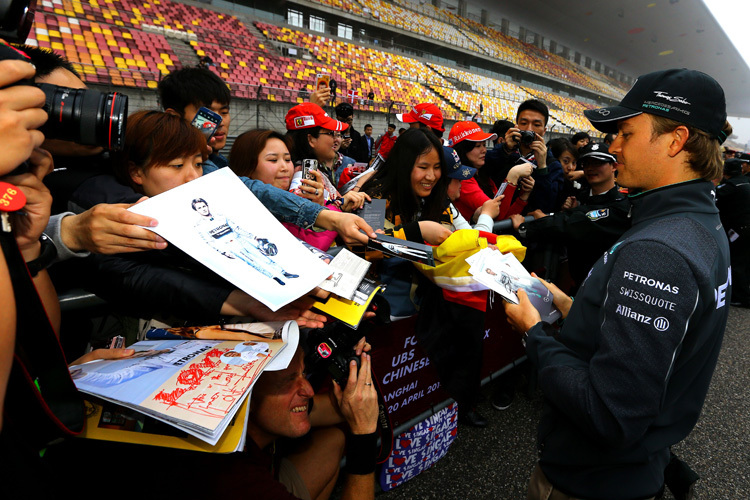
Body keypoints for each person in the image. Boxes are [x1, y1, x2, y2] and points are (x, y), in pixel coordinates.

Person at [504, 68, 733, 500]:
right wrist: (577, 309)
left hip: (591, 482)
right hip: (630, 471)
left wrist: (534, 334)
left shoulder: (661, 249)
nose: (612, 146)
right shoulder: (697, 221)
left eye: (626, 133)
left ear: (675, 140)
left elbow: (609, 413)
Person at [72, 110, 328, 325]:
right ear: (136, 172)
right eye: (176, 165)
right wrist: (241, 302)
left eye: (197, 164)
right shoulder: (117, 218)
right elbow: (142, 278)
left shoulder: (215, 202)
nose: (193, 176)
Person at [246, 340, 379, 500]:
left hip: (269, 475)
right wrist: (364, 436)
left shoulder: (251, 418)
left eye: (303, 373)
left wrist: (355, 366)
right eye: (288, 381)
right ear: (247, 399)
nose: (309, 391)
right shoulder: (236, 479)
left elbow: (343, 407)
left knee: (332, 440)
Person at [510, 142, 631, 288]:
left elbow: (577, 222)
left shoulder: (621, 206)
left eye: (599, 163)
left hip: (603, 284)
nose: (591, 168)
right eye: (586, 163)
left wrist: (526, 227)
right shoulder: (580, 196)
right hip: (578, 280)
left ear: (614, 166)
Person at [229, 129, 337, 250]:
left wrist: (318, 205)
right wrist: (321, 216)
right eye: (273, 160)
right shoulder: (240, 215)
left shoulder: (298, 196)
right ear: (247, 166)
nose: (284, 167)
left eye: (287, 159)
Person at [285, 102, 369, 212]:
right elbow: (312, 223)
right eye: (330, 133)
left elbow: (326, 205)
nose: (335, 140)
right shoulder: (302, 178)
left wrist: (342, 203)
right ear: (311, 140)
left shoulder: (311, 169)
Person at [448, 121, 534, 224]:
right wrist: (512, 177)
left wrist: (523, 198)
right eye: (478, 146)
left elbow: (504, 217)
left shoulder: (481, 173)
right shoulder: (463, 180)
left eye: (484, 145)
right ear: (463, 149)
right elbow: (496, 215)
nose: (484, 150)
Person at [492, 99, 564, 214]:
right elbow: (486, 173)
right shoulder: (504, 152)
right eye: (524, 123)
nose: (529, 129)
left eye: (536, 125)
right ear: (517, 125)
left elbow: (548, 205)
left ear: (544, 130)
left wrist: (542, 168)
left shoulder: (553, 165)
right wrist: (504, 150)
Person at [158, 66, 232, 168]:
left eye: (224, 112)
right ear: (174, 116)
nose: (220, 122)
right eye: (207, 114)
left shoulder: (221, 162)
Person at [715, 157, 750, 307]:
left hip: (738, 230)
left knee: (736, 263)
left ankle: (742, 298)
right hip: (745, 229)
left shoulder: (729, 187)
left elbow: (712, 200)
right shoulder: (746, 182)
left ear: (725, 171)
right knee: (744, 262)